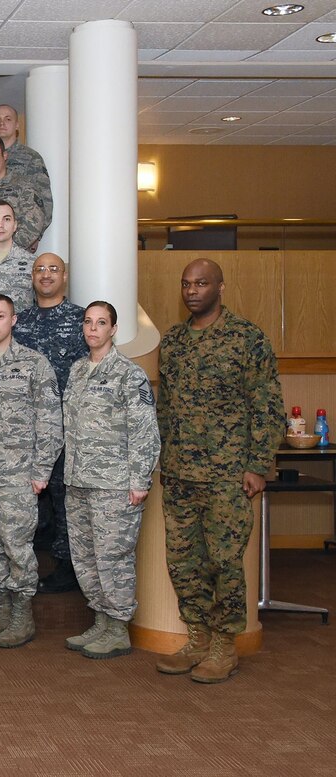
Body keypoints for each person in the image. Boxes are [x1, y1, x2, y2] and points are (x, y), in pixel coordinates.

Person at [155, 258, 284, 684]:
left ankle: (224, 646)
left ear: (220, 287)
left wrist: (259, 465)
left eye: (202, 283)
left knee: (224, 562)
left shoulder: (247, 339)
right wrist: (164, 460)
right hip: (180, 475)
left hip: (228, 476)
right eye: (186, 284)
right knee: (183, 562)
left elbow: (267, 406)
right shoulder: (173, 342)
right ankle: (197, 639)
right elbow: (166, 408)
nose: (192, 291)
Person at [0, 294, 62, 649]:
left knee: (16, 547)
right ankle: (1, 608)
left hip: (18, 476)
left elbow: (50, 421)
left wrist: (41, 471)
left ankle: (22, 614)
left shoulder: (34, 364)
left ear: (13, 320)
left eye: (0, 316)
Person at [62, 301, 160, 660]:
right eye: (88, 322)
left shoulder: (128, 375)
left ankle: (118, 627)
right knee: (85, 557)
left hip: (114, 484)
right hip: (78, 480)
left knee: (112, 557)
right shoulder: (76, 371)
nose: (93, 329)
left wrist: (140, 480)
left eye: (101, 323)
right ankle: (100, 620)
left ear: (113, 329)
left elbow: (145, 430)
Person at [13, 253, 87, 594]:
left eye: (53, 269)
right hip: (27, 426)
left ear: (65, 276)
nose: (45, 275)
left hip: (68, 423)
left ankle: (67, 566)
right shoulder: (21, 322)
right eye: (39, 269)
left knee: (63, 496)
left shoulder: (80, 320)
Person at [0, 133, 49, 252]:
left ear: (4, 155)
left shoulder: (23, 185)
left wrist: (4, 249)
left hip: (13, 261)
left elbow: (34, 222)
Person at [0, 104, 54, 225]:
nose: (2, 123)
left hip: (21, 233)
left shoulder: (31, 158)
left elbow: (45, 201)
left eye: (8, 119)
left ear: (17, 125)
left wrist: (35, 236)